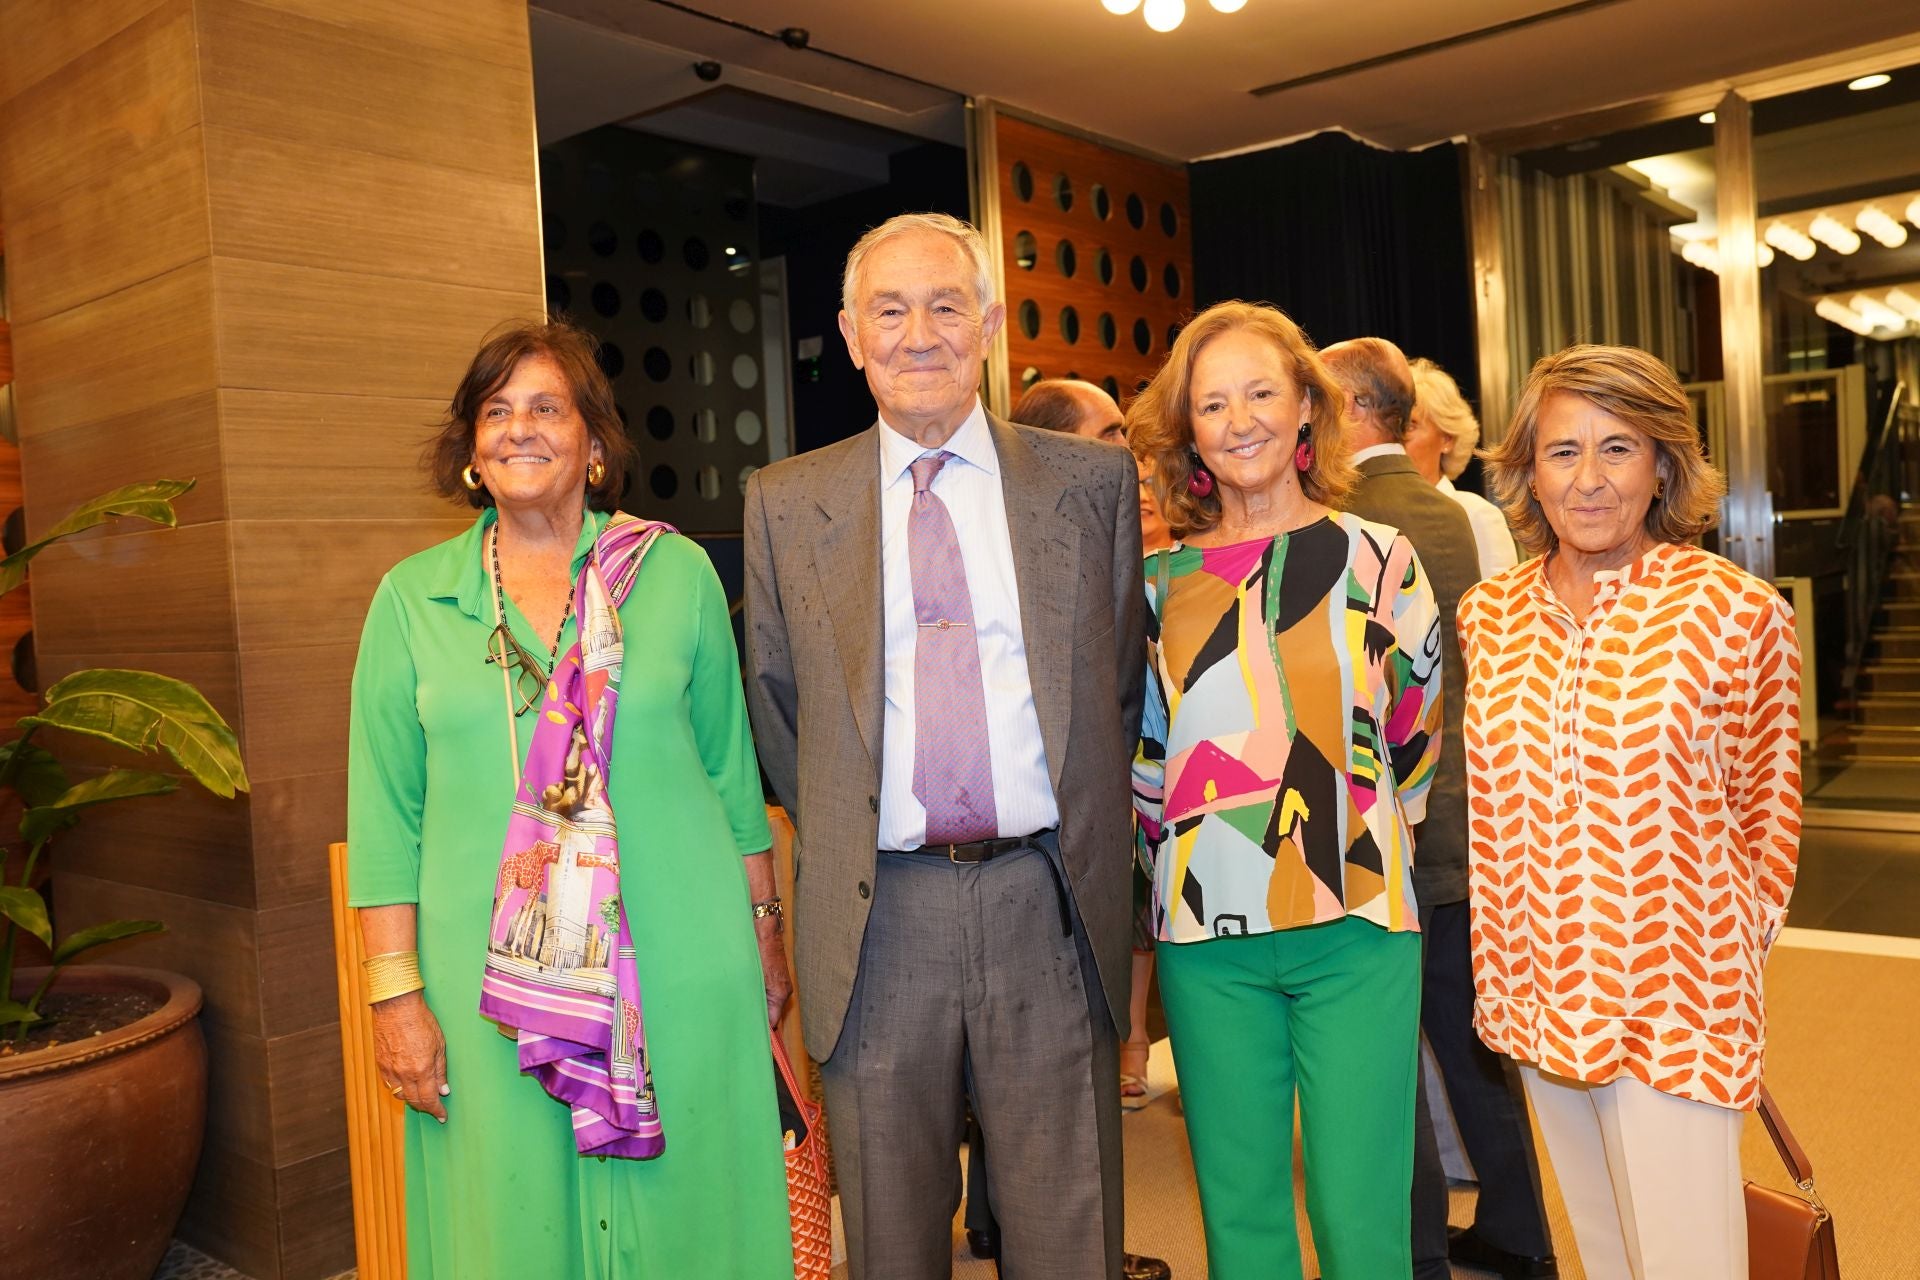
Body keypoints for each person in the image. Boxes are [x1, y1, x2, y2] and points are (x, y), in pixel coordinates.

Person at [743, 213, 1146, 1280]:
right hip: (880, 920)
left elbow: (1112, 687)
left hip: (1046, 903)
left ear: (988, 326)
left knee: (1071, 1231)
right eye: (890, 309)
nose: (918, 332)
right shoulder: (785, 501)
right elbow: (779, 713)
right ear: (850, 334)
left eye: (944, 305)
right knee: (890, 1240)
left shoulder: (1088, 486)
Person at [347, 320, 793, 1278]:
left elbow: (731, 774)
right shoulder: (412, 602)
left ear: (595, 444)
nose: (519, 429)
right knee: (508, 1228)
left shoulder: (673, 576)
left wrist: (764, 931)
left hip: (681, 965)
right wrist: (395, 999)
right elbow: (386, 820)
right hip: (489, 988)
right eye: (495, 411)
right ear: (470, 450)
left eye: (547, 407)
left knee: (692, 1219)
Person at [1460, 344, 1802, 1280]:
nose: (1590, 479)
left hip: (1675, 996)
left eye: (1619, 448)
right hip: (1539, 991)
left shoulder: (1735, 612)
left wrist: (1726, 956)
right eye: (1563, 451)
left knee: (1689, 1260)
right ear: (1530, 469)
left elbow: (1768, 806)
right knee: (1606, 1256)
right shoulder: (1489, 616)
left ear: (1662, 464)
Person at [1129, 301, 1442, 1280]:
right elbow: (1146, 761)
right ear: (1189, 433)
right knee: (1243, 1217)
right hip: (1205, 940)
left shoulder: (1380, 559)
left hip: (1356, 923)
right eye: (1212, 402)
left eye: (1262, 391)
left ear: (1309, 406)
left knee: (1361, 1218)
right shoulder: (1153, 583)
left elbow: (1415, 733)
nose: (1240, 418)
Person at [1322, 339, 1555, 1280]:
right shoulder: (1461, 517)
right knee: (1472, 1050)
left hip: (1375, 833)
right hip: (1465, 828)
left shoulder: (1332, 527)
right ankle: (1522, 1237)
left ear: (1342, 410)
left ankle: (1416, 1255)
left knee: (1385, 1068)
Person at [957, 377, 1170, 1280]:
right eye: (1109, 429)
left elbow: (1119, 692)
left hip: (1065, 845)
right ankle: (1005, 1224)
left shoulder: (1131, 531)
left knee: (1048, 1102)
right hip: (990, 857)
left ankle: (1025, 1231)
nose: (1127, 447)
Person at [1407, 357, 1520, 578]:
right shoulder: (1371, 514)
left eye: (1411, 425)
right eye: (1395, 426)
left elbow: (1499, 606)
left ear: (1447, 439)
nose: (1399, 437)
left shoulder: (1476, 515)